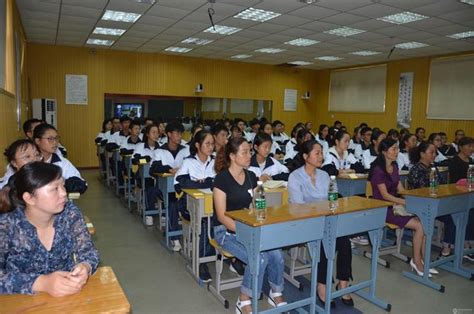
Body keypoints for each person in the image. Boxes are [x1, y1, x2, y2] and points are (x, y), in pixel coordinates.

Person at [0, 162, 99, 295]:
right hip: (21, 301)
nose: (64, 193)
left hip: (66, 295)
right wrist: (41, 283)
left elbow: (88, 251)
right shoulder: (8, 225)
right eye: (54, 189)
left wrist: (85, 267)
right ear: (29, 198)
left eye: (62, 185)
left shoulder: (69, 213)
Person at [213, 137, 286, 313]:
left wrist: (259, 218)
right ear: (232, 155)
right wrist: (244, 231)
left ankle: (276, 293)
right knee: (259, 258)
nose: (249, 156)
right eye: (244, 152)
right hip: (226, 232)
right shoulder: (221, 179)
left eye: (249, 151)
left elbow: (257, 205)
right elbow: (222, 216)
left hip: (250, 228)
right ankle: (244, 299)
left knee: (276, 254)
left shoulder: (251, 177)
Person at [288, 140, 353, 307]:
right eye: (317, 153)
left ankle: (343, 282)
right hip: (305, 223)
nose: (321, 156)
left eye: (321, 152)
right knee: (324, 241)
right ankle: (322, 286)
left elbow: (333, 200)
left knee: (345, 240)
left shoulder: (325, 176)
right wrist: (322, 209)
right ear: (305, 156)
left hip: (326, 221)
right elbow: (298, 207)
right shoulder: (295, 177)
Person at [369, 138, 437, 277]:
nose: (397, 151)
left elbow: (400, 189)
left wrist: (412, 198)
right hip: (383, 208)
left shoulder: (394, 167)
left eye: (397, 149)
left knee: (423, 221)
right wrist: (404, 202)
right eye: (393, 149)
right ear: (384, 152)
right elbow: (385, 195)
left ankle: (425, 261)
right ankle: (416, 261)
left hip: (397, 204)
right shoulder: (378, 170)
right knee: (419, 226)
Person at [174, 130, 216, 282]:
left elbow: (219, 182)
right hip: (187, 205)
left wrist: (199, 182)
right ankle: (201, 261)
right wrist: (207, 182)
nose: (211, 147)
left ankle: (221, 254)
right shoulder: (189, 162)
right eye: (207, 144)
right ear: (198, 145)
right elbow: (180, 183)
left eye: (212, 144)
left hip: (211, 204)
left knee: (219, 219)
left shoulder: (215, 161)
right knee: (205, 221)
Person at [33, 124, 87, 194]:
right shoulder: (29, 161)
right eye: (50, 139)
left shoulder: (61, 162)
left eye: (56, 138)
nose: (55, 142)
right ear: (37, 141)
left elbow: (81, 183)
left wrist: (69, 185)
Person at [447, 136, 474, 261]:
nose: (471, 149)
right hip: (457, 196)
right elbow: (454, 182)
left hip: (469, 195)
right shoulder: (454, 161)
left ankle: (469, 242)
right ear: (461, 147)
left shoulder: (472, 161)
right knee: (466, 213)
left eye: (472, 146)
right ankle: (458, 244)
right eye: (469, 146)